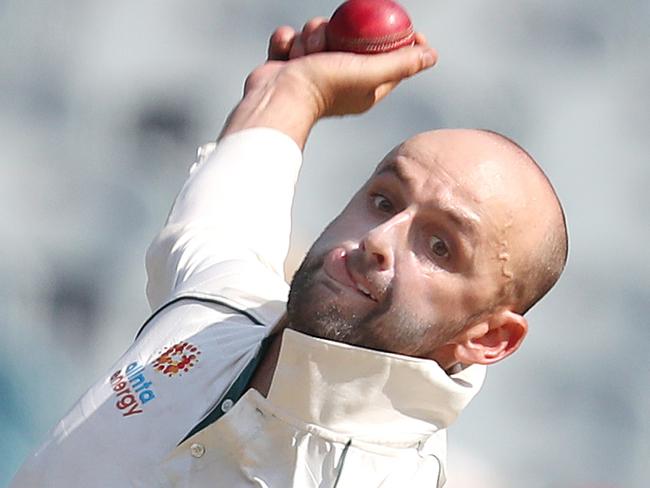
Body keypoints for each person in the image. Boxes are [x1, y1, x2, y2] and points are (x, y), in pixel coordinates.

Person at [11, 17, 567, 488]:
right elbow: (235, 192)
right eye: (382, 200)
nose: (379, 239)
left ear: (488, 339)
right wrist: (300, 87)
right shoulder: (218, 306)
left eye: (440, 246)